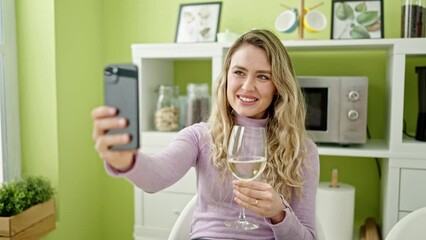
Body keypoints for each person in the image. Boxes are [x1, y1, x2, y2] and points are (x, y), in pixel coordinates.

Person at [91, 29, 319, 240]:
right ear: (226, 77)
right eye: (239, 72)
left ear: (278, 85)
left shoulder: (302, 150)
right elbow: (155, 177)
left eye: (263, 76)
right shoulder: (200, 136)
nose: (247, 86)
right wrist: (128, 160)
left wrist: (279, 214)